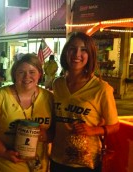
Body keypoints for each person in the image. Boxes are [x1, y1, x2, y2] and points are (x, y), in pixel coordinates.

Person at [50, 32, 119, 172]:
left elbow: (115, 125)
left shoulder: (101, 88)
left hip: (86, 162)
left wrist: (93, 130)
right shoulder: (57, 84)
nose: (77, 54)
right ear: (66, 52)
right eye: (72, 49)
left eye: (83, 50)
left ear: (90, 55)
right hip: (57, 158)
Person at [0, 53, 54, 172]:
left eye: (32, 72)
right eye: (21, 72)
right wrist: (5, 152)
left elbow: (57, 131)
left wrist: (45, 135)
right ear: (14, 75)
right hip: (3, 167)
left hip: (38, 167)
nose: (27, 77)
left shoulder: (49, 98)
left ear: (40, 74)